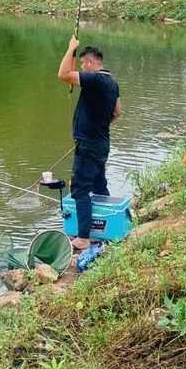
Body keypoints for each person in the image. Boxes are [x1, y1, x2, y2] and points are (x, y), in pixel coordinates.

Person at [57, 35, 121, 250]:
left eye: (84, 63)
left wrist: (70, 48)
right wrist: (98, 126)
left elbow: (63, 74)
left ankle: (83, 238)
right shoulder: (112, 82)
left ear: (91, 63)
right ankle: (110, 222)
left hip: (90, 146)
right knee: (99, 185)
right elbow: (117, 112)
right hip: (101, 144)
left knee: (80, 189)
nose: (82, 68)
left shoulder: (95, 79)